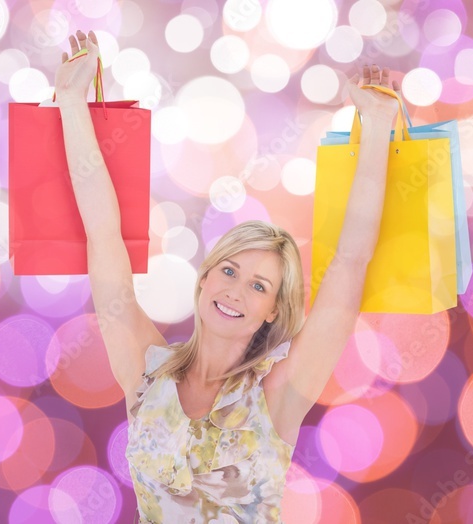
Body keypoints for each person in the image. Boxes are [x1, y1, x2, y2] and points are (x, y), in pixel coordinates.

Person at [54, 29, 400, 524]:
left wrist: (379, 125)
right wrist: (71, 101)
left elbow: (350, 263)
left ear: (273, 310)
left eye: (259, 286)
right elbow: (103, 235)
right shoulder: (145, 373)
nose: (236, 290)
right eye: (230, 270)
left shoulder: (281, 391)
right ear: (204, 278)